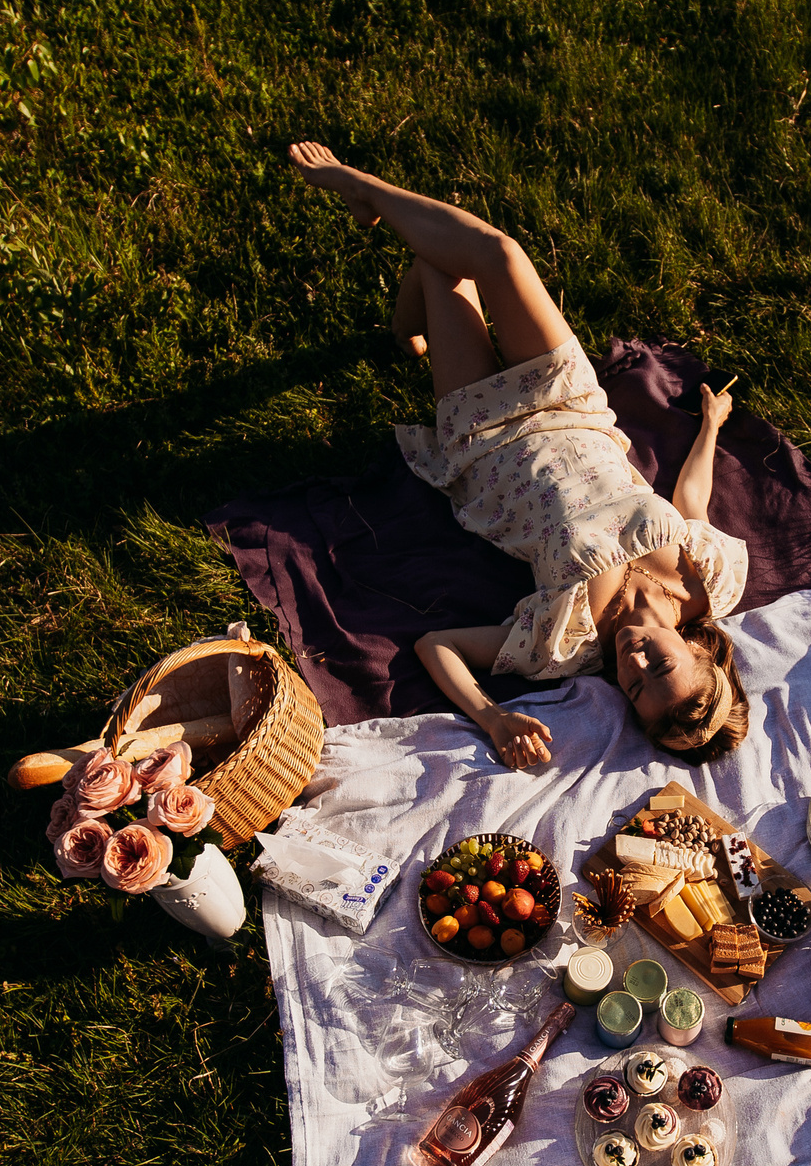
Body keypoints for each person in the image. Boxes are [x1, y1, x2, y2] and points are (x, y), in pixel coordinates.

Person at [289, 141, 751, 769]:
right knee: (499, 253)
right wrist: (711, 430)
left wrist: (493, 715)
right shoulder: (710, 581)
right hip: (573, 405)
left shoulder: (565, 642)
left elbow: (437, 644)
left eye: (635, 688)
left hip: (487, 440)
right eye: (659, 663)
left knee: (441, 267)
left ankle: (406, 328)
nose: (633, 662)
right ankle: (361, 189)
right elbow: (690, 503)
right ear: (702, 652)